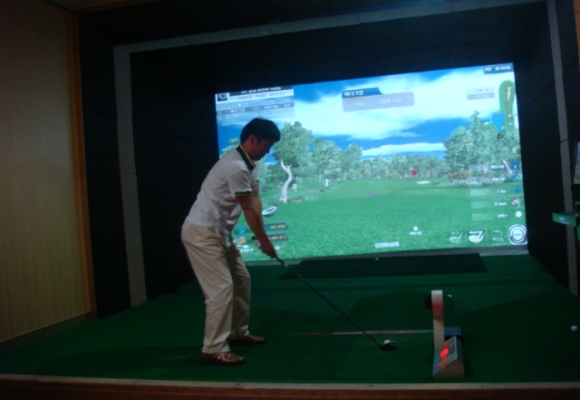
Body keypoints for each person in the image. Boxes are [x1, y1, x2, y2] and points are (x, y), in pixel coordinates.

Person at [181, 117, 280, 366]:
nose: (268, 150)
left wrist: (261, 236)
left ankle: (238, 332)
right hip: (202, 233)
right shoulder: (235, 166)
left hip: (219, 233)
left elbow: (254, 199)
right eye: (267, 145)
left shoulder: (252, 163)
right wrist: (264, 240)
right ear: (252, 140)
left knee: (242, 280)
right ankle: (213, 348)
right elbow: (247, 207)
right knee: (221, 289)